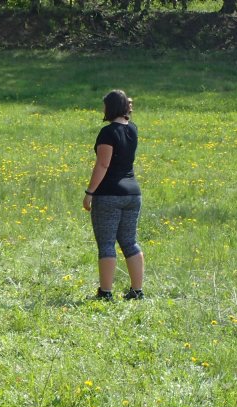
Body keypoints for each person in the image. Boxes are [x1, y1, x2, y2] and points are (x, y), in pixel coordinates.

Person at [82, 90, 144, 301]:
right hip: (133, 193)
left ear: (110, 107)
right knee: (130, 242)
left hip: (109, 194)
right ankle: (137, 291)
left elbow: (103, 164)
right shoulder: (132, 129)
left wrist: (90, 192)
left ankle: (105, 292)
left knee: (107, 244)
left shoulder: (108, 133)